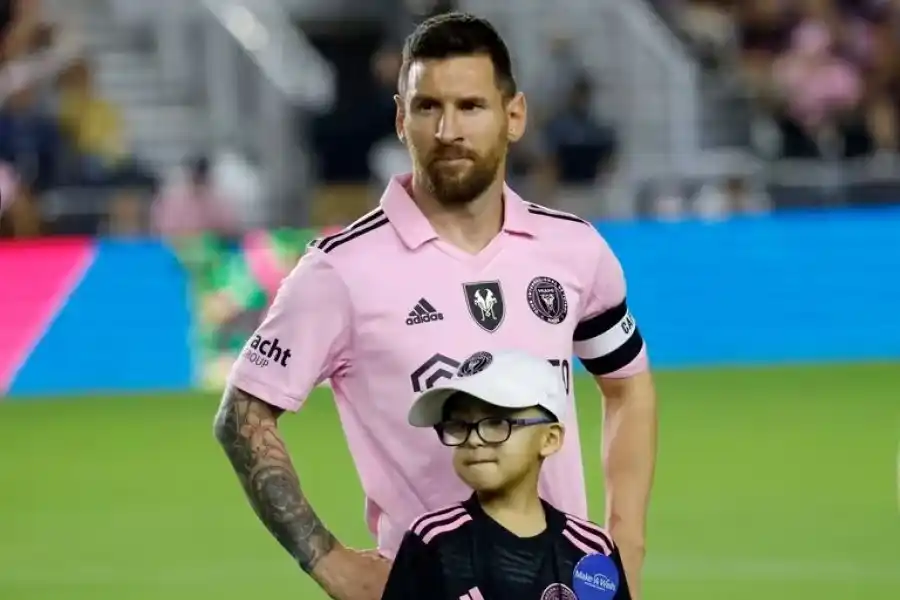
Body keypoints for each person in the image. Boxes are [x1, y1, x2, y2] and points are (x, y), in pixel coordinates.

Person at [215, 11, 657, 600]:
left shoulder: (574, 249)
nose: (448, 128)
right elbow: (242, 416)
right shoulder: (340, 270)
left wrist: (624, 541)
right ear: (401, 118)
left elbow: (627, 384)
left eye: (471, 106)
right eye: (427, 107)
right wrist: (329, 561)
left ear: (514, 116)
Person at [382, 349, 631, 600]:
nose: (474, 439)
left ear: (550, 438)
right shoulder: (434, 541)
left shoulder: (590, 552)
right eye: (459, 425)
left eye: (496, 422)